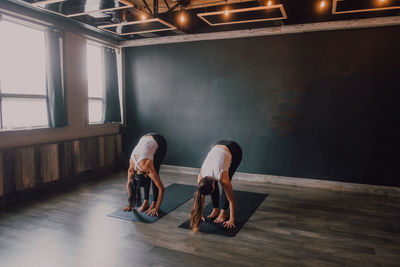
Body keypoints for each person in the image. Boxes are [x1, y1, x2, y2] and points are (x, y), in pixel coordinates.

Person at [190, 140, 242, 233]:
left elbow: (231, 199)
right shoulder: (201, 178)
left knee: (226, 185)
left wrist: (231, 219)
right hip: (215, 145)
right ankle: (215, 210)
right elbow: (200, 195)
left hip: (233, 149)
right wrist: (200, 214)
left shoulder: (222, 177)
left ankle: (223, 213)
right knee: (212, 185)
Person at [122, 133, 167, 216]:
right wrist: (131, 204)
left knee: (155, 173)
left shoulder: (148, 167)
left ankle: (153, 203)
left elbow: (161, 189)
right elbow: (129, 184)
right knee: (151, 175)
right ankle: (146, 202)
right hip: (144, 137)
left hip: (159, 140)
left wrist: (156, 207)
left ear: (147, 175)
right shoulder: (131, 169)